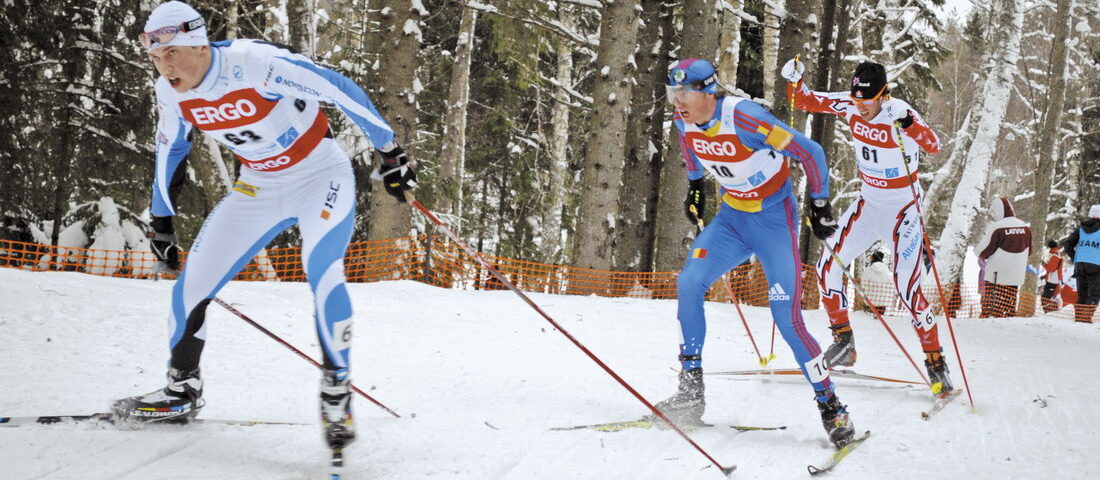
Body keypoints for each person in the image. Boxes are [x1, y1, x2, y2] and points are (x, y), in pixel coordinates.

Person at [112, 2, 418, 452]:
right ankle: (182, 389)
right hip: (258, 185)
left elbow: (339, 88)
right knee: (192, 284)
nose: (165, 66)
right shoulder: (169, 92)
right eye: (156, 57)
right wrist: (161, 220)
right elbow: (170, 149)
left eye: (172, 53)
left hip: (319, 176)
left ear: (198, 43)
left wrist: (390, 152)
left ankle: (336, 390)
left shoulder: (254, 63)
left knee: (322, 271)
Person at [654, 58, 855, 447]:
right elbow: (690, 150)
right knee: (689, 283)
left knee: (786, 315)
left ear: (707, 91)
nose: (676, 101)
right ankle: (690, 392)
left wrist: (819, 204)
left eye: (684, 93)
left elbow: (811, 152)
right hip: (730, 221)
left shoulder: (746, 119)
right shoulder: (683, 121)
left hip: (773, 224)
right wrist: (695, 186)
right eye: (672, 93)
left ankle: (831, 405)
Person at [781, 59, 955, 395]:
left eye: (868, 102)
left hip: (904, 210)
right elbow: (804, 100)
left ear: (882, 94)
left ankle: (936, 361)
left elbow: (934, 146)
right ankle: (844, 342)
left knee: (907, 288)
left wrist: (908, 124)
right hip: (869, 204)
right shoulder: (849, 104)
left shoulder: (898, 110)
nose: (861, 107)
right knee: (826, 266)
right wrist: (794, 79)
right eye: (857, 100)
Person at [976, 197, 1032, 318]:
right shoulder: (1025, 227)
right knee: (1009, 308)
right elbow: (1030, 251)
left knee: (992, 310)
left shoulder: (997, 228)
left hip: (996, 277)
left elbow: (981, 252)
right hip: (1016, 277)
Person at [1062, 205, 1100, 323]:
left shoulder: (1081, 228)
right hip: (1096, 265)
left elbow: (1068, 244)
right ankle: (1085, 319)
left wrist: (1075, 258)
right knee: (1094, 294)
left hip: (1080, 265)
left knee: (1082, 293)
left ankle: (1079, 318)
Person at [861, 250, 893, 316]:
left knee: (868, 321)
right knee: (879, 322)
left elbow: (863, 283)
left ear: (874, 258)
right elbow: (889, 283)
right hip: (882, 302)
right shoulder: (886, 270)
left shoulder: (869, 269)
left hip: (870, 301)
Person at [1039, 240, 1065, 313]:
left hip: (1053, 279)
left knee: (1046, 297)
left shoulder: (1055, 255)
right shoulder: (1057, 253)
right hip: (1053, 278)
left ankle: (1048, 311)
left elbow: (1052, 269)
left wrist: (1043, 264)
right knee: (1049, 296)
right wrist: (1045, 275)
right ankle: (1050, 311)